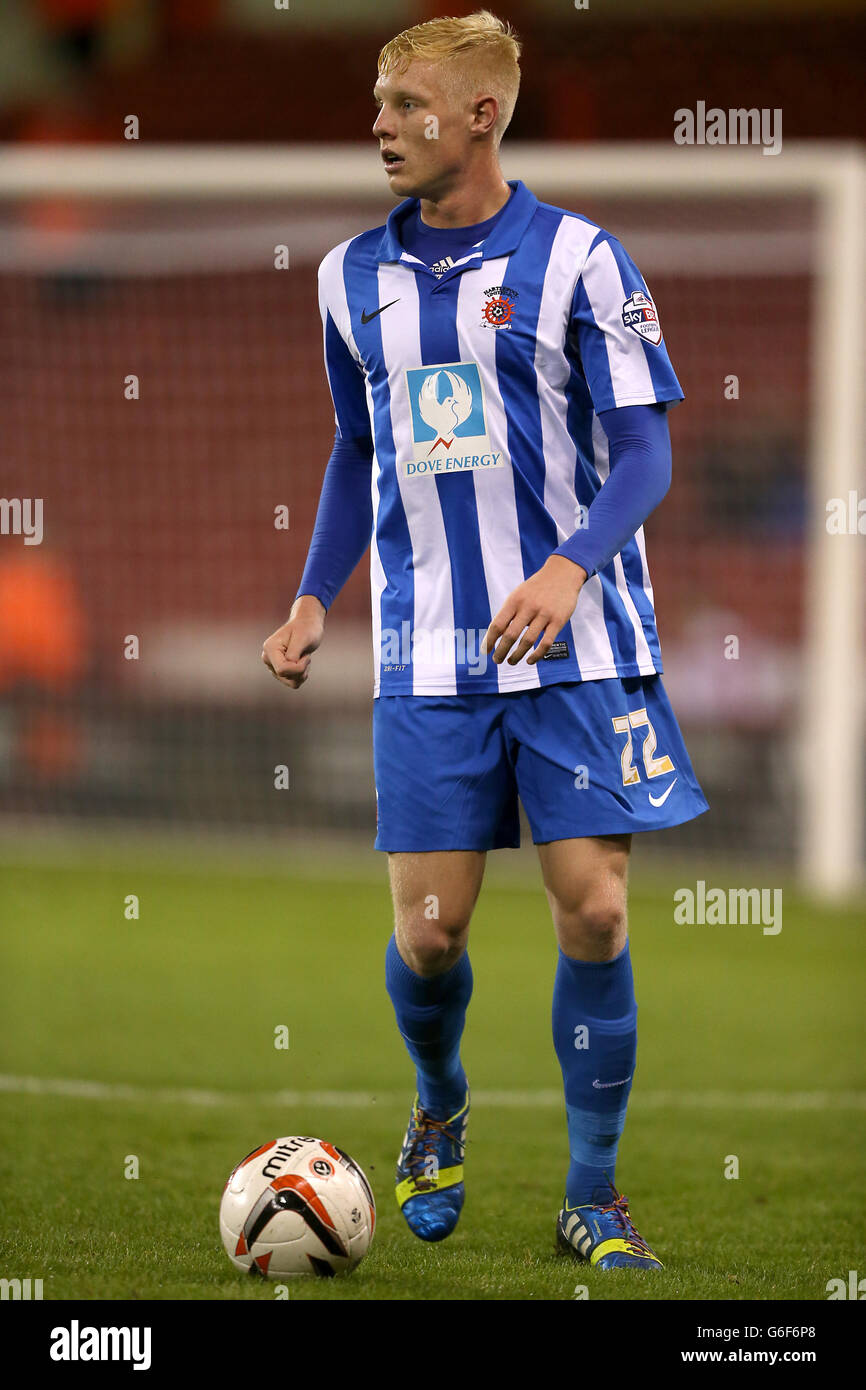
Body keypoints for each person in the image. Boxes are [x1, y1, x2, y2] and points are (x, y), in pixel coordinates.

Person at [262, 10, 708, 1272]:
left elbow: (646, 453)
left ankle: (592, 1192)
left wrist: (568, 567)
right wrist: (313, 597)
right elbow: (356, 450)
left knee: (598, 914)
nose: (381, 126)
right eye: (376, 102)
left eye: (406, 104)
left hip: (577, 644)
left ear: (480, 117)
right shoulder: (348, 276)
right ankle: (439, 1105)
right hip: (428, 660)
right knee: (428, 935)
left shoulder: (581, 259)